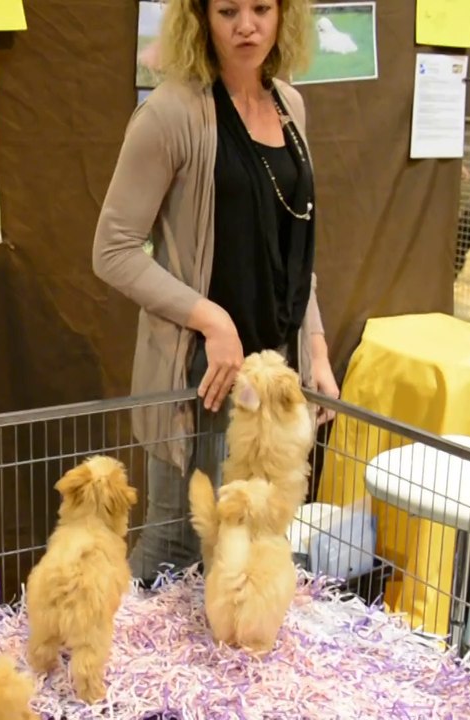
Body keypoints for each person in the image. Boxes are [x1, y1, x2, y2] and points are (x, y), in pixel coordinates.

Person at [91, 0, 339, 581]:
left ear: (284, 16)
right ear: (199, 18)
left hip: (274, 372)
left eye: (261, 8)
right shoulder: (170, 113)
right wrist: (211, 319)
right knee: (178, 542)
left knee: (254, 537)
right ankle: (128, 663)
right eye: (228, 10)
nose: (246, 26)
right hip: (202, 374)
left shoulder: (291, 106)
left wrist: (318, 348)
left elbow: (293, 253)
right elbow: (113, 249)